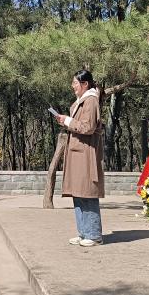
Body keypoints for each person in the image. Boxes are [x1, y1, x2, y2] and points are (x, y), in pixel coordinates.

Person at [54, 69, 106, 247]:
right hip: (78, 153)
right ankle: (83, 232)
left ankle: (94, 235)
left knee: (87, 193)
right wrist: (66, 121)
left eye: (75, 83)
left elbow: (88, 127)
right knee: (78, 193)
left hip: (86, 153)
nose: (73, 86)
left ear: (85, 84)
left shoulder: (91, 100)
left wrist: (68, 121)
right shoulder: (81, 101)